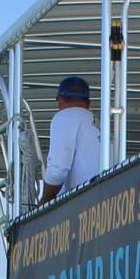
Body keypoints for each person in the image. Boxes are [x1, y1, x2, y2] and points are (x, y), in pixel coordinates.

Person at [39, 76, 101, 204]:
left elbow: (57, 171)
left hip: (83, 203)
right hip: (104, 200)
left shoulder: (64, 116)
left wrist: (44, 202)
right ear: (88, 103)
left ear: (60, 100)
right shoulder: (99, 124)